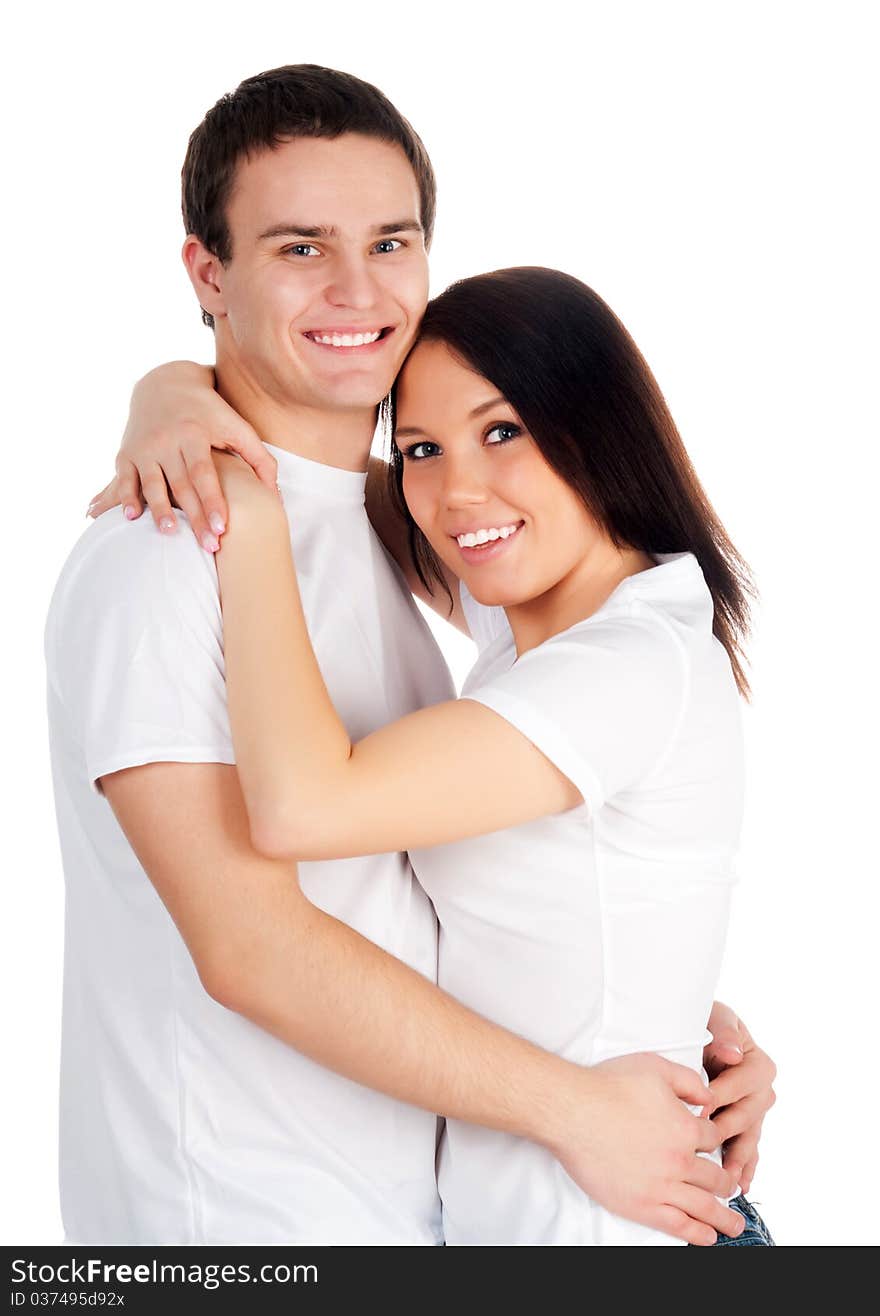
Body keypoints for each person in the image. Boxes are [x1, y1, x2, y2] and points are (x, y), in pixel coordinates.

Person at [48, 64, 773, 1247]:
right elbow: (251, 946)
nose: (355, 287)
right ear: (207, 274)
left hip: (439, 1210)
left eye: (390, 241)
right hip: (240, 1223)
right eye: (298, 247)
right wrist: (580, 1100)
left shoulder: (417, 523)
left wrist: (664, 1016)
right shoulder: (175, 547)